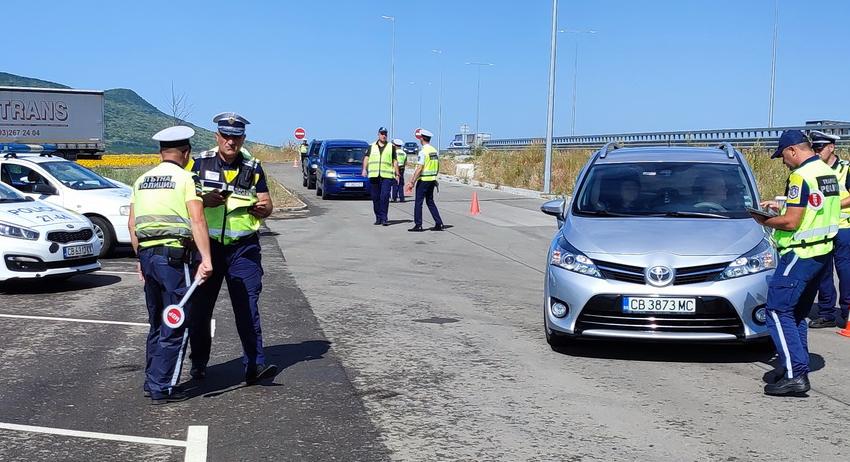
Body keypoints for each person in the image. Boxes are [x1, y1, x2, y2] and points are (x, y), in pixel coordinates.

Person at [188, 112, 278, 385]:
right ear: (217, 136)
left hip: (244, 248)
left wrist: (264, 209)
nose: (231, 141)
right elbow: (186, 204)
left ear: (243, 138)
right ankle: (199, 364)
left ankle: (254, 365)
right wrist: (205, 201)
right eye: (226, 136)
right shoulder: (199, 163)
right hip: (209, 247)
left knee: (247, 307)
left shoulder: (253, 166)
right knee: (200, 310)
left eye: (236, 137)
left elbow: (268, 204)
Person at [128, 126, 213, 404]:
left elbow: (132, 224)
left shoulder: (141, 180)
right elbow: (197, 220)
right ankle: (162, 386)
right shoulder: (186, 179)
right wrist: (207, 260)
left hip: (148, 256)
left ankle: (151, 379)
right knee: (177, 320)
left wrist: (140, 258)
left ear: (160, 152)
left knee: (157, 322)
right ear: (186, 153)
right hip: (174, 259)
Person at [752, 130, 840, 396]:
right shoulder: (827, 174)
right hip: (822, 252)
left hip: (799, 254)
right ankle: (794, 366)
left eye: (783, 156)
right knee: (798, 314)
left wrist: (763, 220)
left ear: (793, 150)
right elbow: (815, 210)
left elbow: (792, 222)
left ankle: (795, 374)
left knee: (777, 311)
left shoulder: (800, 176)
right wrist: (781, 208)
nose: (783, 162)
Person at [808, 130, 849, 328]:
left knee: (844, 270)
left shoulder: (846, 169)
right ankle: (826, 312)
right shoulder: (812, 170)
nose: (816, 152)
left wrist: (833, 205)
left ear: (831, 147)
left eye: (820, 148)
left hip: (843, 227)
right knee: (823, 271)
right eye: (813, 148)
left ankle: (847, 310)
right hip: (821, 228)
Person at [406, 129, 444, 232]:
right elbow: (437, 166)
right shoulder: (434, 151)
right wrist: (435, 178)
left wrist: (412, 182)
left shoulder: (423, 152)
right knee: (430, 202)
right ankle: (439, 223)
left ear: (421, 138)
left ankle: (418, 225)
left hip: (423, 180)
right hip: (432, 180)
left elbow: (419, 168)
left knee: (418, 202)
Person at [362, 127, 399, 226]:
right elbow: (366, 158)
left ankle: (384, 218)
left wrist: (397, 174)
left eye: (385, 134)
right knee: (375, 197)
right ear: (378, 134)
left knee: (385, 196)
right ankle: (378, 217)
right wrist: (364, 169)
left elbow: (395, 161)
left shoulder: (391, 147)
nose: (384, 136)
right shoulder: (371, 146)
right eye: (382, 134)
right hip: (374, 176)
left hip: (386, 176)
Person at [390, 138, 407, 203]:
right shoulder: (404, 153)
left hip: (395, 169)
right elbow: (405, 162)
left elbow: (392, 162)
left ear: (395, 145)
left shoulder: (394, 153)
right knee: (401, 183)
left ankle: (394, 198)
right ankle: (402, 198)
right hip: (402, 169)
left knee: (394, 183)